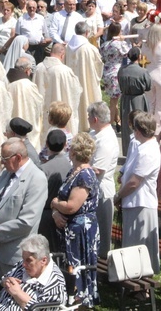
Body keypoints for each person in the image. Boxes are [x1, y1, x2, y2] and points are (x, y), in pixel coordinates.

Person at [0, 138, 48, 292]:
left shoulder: (36, 179)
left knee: (13, 300)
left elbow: (27, 221)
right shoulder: (6, 174)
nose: (2, 162)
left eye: (4, 159)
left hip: (14, 254)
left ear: (18, 157)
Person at [50, 133, 100, 308]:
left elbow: (72, 206)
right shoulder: (74, 172)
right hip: (69, 230)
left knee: (78, 268)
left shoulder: (85, 175)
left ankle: (80, 300)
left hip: (81, 232)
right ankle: (70, 297)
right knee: (69, 267)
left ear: (73, 152)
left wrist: (55, 204)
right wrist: (55, 211)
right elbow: (60, 199)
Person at [115, 112, 161, 274]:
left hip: (141, 203)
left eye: (135, 128)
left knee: (139, 245)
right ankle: (132, 276)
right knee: (131, 243)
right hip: (134, 202)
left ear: (139, 130)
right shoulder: (141, 146)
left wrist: (119, 195)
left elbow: (135, 182)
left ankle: (141, 281)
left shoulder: (148, 151)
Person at [0, 234, 67, 310]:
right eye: (23, 259)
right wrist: (6, 281)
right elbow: (4, 279)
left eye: (29, 260)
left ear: (43, 260)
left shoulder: (54, 285)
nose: (23, 264)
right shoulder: (23, 265)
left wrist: (18, 293)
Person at [87, 102, 118, 260]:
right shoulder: (96, 133)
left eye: (88, 117)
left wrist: (79, 169)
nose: (87, 119)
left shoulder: (106, 140)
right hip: (93, 191)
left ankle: (102, 267)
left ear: (95, 119)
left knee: (102, 235)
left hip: (102, 192)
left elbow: (98, 170)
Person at [66, 22, 103, 133]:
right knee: (87, 100)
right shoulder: (90, 48)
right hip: (87, 84)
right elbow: (99, 66)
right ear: (87, 32)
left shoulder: (67, 47)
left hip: (71, 84)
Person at [38, 130, 71, 252]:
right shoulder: (70, 166)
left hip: (46, 217)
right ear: (65, 144)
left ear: (46, 143)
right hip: (66, 216)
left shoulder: (43, 169)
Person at [117, 47, 152, 155]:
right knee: (141, 124)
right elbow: (148, 86)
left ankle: (128, 152)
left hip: (125, 99)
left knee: (127, 127)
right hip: (139, 99)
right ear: (139, 56)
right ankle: (140, 151)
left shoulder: (122, 70)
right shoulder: (143, 71)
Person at [100, 22, 130, 129]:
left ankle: (118, 121)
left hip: (107, 73)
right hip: (116, 73)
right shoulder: (119, 44)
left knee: (114, 99)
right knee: (114, 101)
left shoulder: (104, 44)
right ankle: (110, 124)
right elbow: (128, 53)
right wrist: (123, 41)